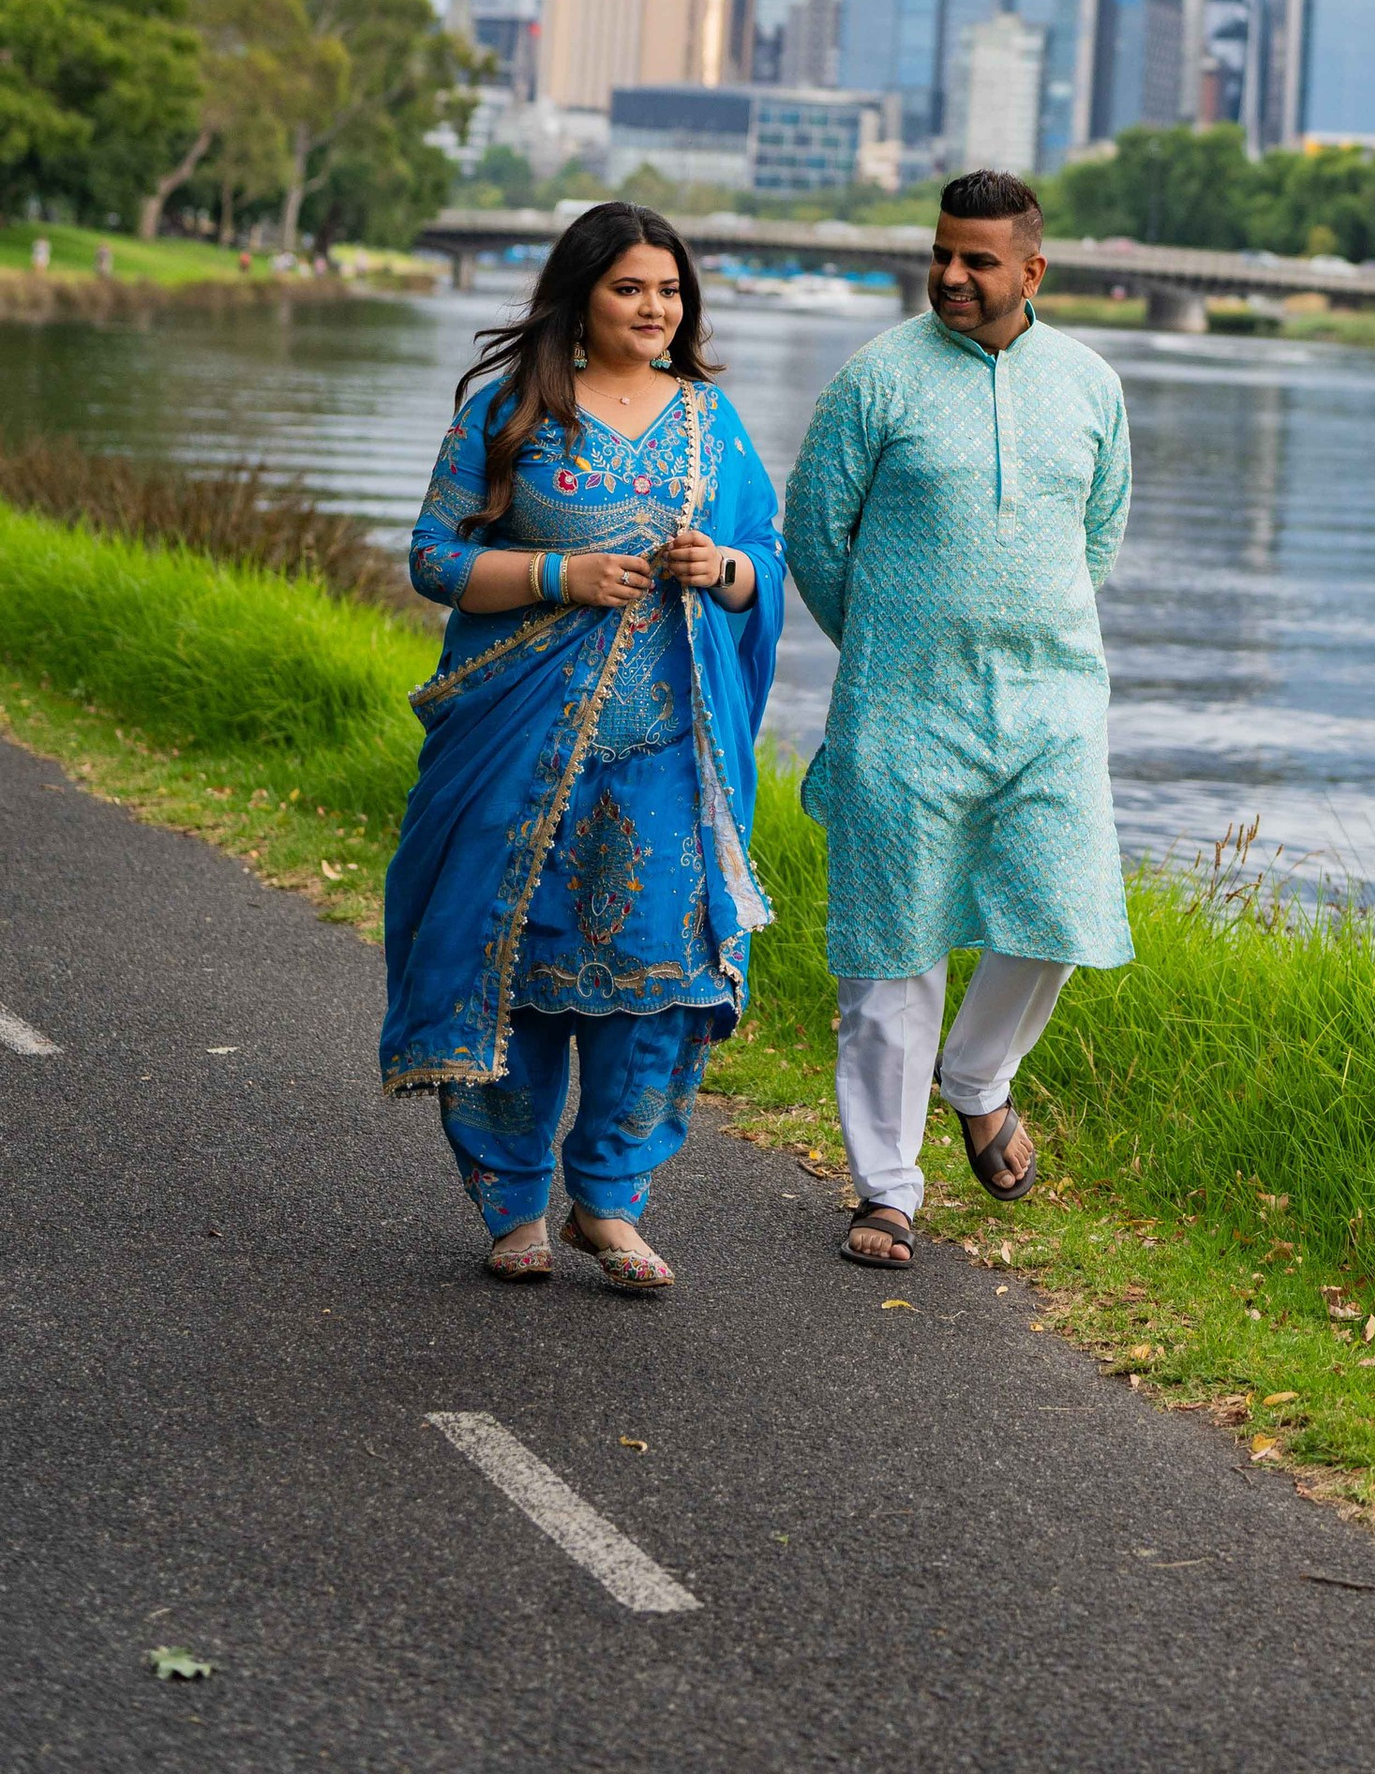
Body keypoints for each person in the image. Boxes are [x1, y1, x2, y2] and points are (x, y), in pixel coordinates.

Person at [381, 201, 783, 1291]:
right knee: (515, 969)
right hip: (517, 745)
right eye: (629, 289)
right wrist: (558, 576)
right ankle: (513, 1205)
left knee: (655, 980)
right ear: (582, 295)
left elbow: (765, 556)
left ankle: (609, 1201)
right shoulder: (511, 415)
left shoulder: (710, 420)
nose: (655, 309)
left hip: (667, 754)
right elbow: (433, 558)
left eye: (669, 290)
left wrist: (726, 571)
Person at [783, 169, 1132, 1268]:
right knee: (893, 948)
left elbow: (1099, 534)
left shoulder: (1088, 384)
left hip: (1052, 704)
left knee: (1062, 909)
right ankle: (885, 1190)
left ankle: (976, 1075)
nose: (950, 275)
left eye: (978, 260)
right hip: (902, 706)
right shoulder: (875, 381)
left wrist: (1025, 637)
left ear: (1032, 271)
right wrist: (892, 644)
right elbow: (812, 538)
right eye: (942, 253)